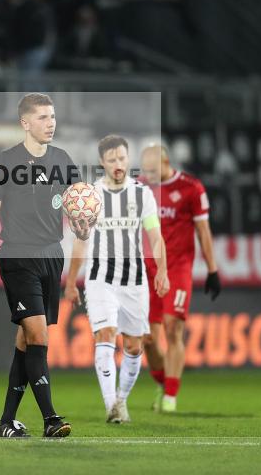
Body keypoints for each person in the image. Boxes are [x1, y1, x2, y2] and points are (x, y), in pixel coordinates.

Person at [0, 92, 90, 439]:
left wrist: (83, 225)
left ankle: (6, 422)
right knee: (38, 333)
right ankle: (51, 419)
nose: (50, 123)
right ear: (25, 123)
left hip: (51, 254)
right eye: (42, 117)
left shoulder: (63, 159)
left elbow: (77, 214)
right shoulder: (5, 162)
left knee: (28, 339)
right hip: (17, 255)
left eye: (53, 116)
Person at [65, 135, 168, 423]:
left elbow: (155, 236)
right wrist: (72, 281)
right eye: (112, 160)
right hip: (100, 279)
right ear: (102, 162)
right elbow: (81, 242)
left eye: (122, 158)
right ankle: (112, 406)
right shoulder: (91, 196)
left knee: (135, 345)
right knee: (106, 333)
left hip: (134, 280)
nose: (118, 164)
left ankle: (121, 400)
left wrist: (162, 269)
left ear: (128, 158)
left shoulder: (142, 194)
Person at [139, 144, 221, 413]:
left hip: (177, 268)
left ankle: (171, 396)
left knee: (173, 329)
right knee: (148, 339)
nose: (147, 175)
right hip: (148, 269)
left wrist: (212, 269)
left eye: (152, 170)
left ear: (166, 162)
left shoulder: (191, 188)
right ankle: (163, 383)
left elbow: (203, 230)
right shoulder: (139, 188)